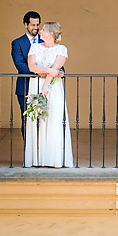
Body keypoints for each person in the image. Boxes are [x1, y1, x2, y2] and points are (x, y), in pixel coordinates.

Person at [24, 21, 74, 168]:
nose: (40, 32)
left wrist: (46, 83)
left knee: (54, 119)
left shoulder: (61, 49)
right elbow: (32, 67)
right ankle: (37, 159)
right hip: (35, 85)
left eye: (43, 30)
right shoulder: (35, 47)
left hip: (52, 87)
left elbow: (55, 68)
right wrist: (50, 72)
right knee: (36, 119)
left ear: (51, 33)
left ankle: (54, 159)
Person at [10, 11, 41, 140]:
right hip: (25, 88)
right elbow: (20, 65)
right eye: (33, 25)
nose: (36, 28)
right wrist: (42, 72)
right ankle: (29, 151)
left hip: (43, 87)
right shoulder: (17, 43)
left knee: (44, 121)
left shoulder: (45, 41)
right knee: (27, 120)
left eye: (38, 25)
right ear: (25, 25)